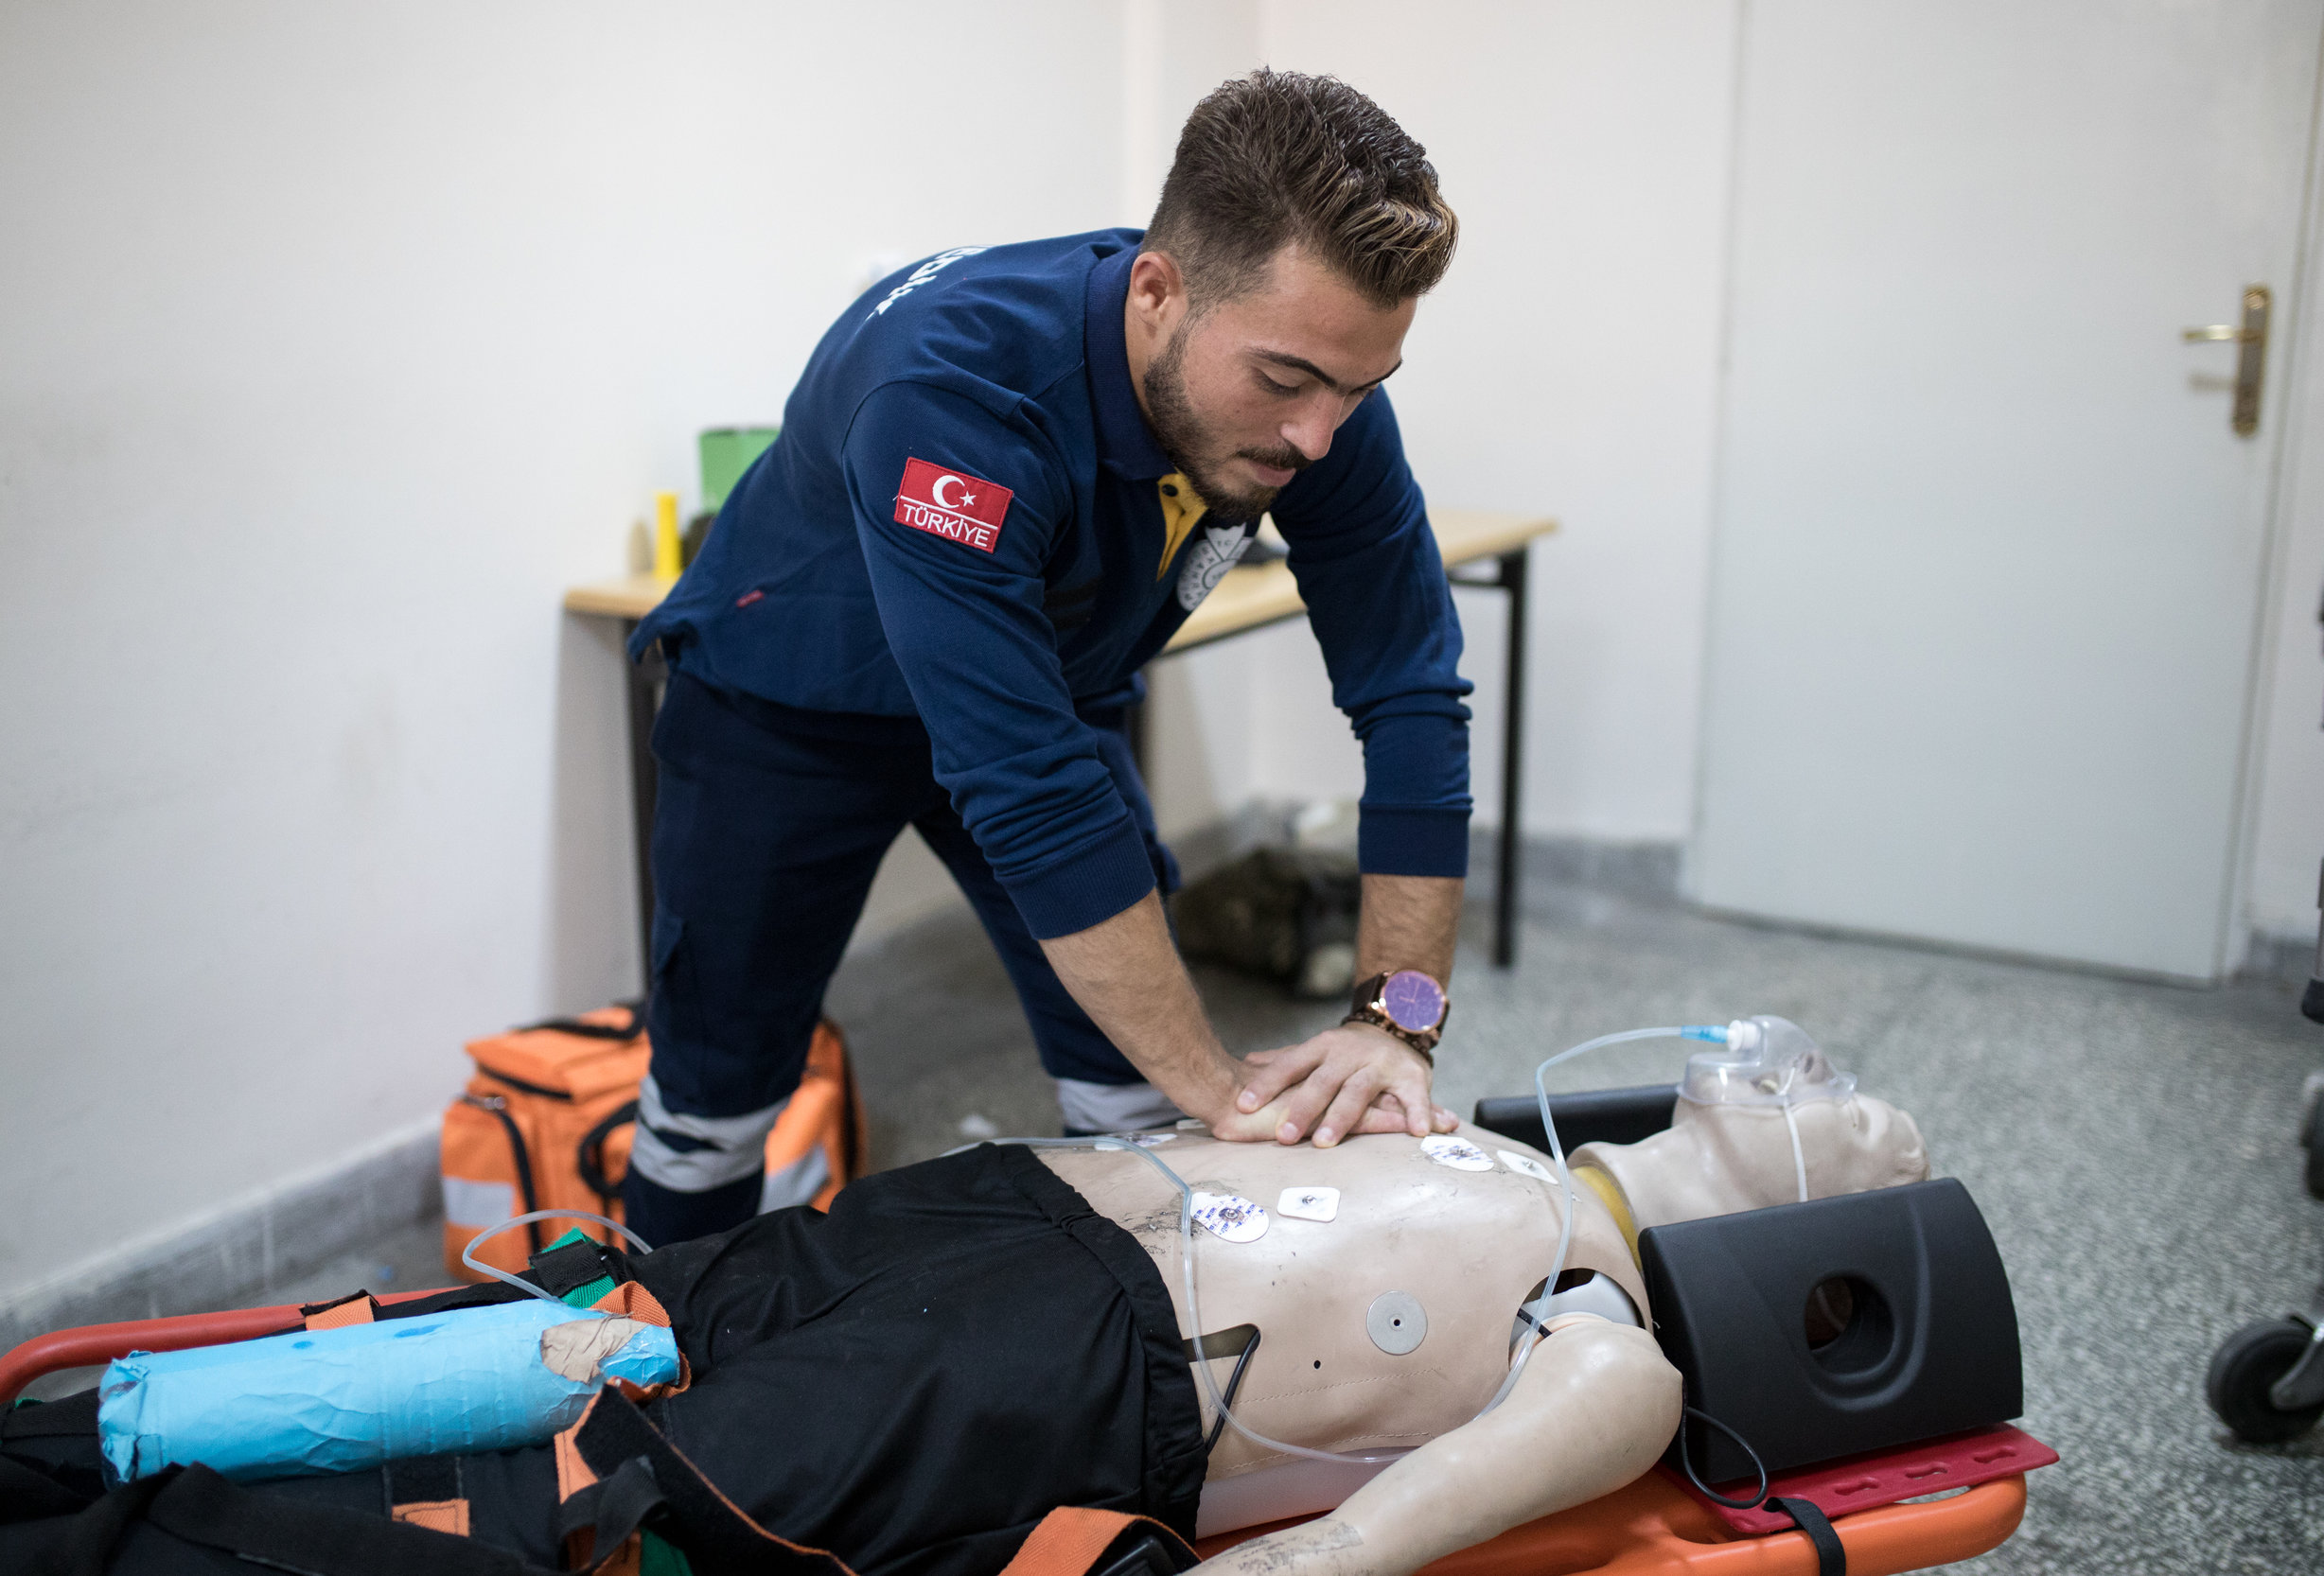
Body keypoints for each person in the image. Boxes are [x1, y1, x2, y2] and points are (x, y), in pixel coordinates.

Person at [0, 1040, 1930, 1576]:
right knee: (590, 1333)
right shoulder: (1495, 1136)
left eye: (1848, 1115)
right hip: (988, 1215)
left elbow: (1344, 1552)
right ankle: (90, 1430)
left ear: (1824, 1234)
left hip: (1067, 1371)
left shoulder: (1611, 1339)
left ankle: (113, 1541)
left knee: (607, 1482)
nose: (1817, 1078)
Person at [618, 69, 1476, 1246]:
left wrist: (1397, 1019)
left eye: (1357, 388)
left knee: (1135, 1105)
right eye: (1283, 382)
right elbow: (1026, 791)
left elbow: (1414, 693)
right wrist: (1219, 1089)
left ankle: (1144, 1361)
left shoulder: (1315, 385)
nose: (1318, 435)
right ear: (1158, 294)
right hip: (790, 706)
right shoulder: (954, 397)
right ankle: (667, 1368)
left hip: (1048, 695)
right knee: (716, 1101)